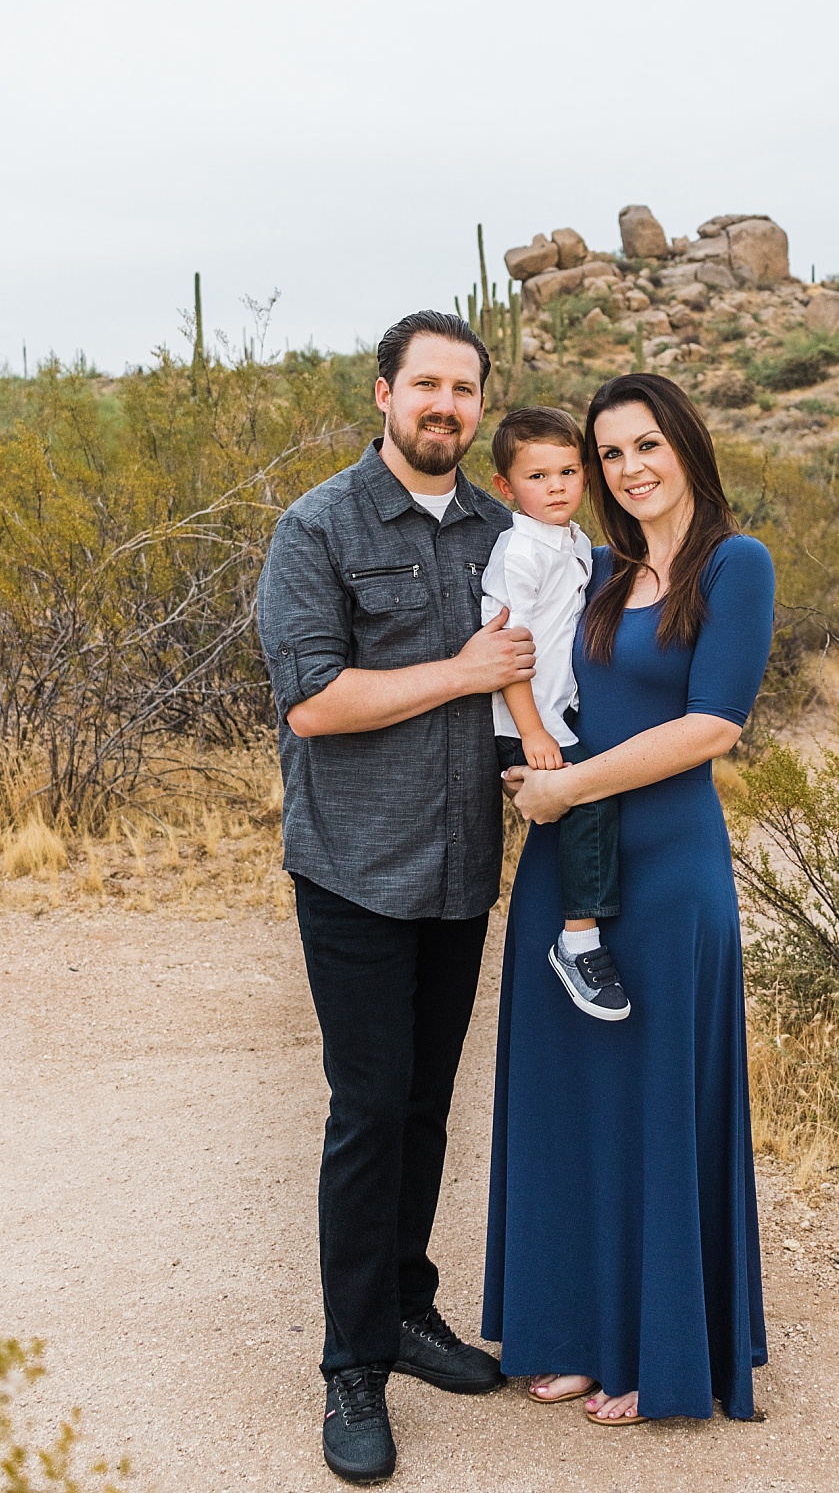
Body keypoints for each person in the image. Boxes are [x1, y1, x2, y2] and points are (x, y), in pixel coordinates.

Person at [257, 311, 528, 1486]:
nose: (446, 408)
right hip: (356, 870)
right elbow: (314, 702)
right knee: (369, 1111)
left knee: (425, 1106)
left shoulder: (504, 532)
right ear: (384, 394)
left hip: (464, 865)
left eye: (464, 391)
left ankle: (409, 1312)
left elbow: (550, 664)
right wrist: (464, 673)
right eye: (426, 385)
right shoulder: (316, 527)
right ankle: (351, 1368)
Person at [483, 372, 775, 1425]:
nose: (629, 468)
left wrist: (568, 787)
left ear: (686, 446)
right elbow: (517, 647)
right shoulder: (592, 570)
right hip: (567, 857)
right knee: (570, 1096)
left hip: (667, 865)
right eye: (610, 454)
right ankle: (568, 1332)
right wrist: (530, 760)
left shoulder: (734, 566)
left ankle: (664, 1350)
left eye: (645, 444)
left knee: (658, 1103)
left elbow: (714, 726)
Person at [481, 406, 629, 1021]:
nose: (557, 486)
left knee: (592, 791)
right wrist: (533, 731)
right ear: (506, 488)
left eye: (569, 471)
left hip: (553, 712)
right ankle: (578, 940)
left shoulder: (571, 543)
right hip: (523, 718)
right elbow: (506, 650)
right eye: (538, 477)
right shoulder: (520, 551)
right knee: (588, 793)